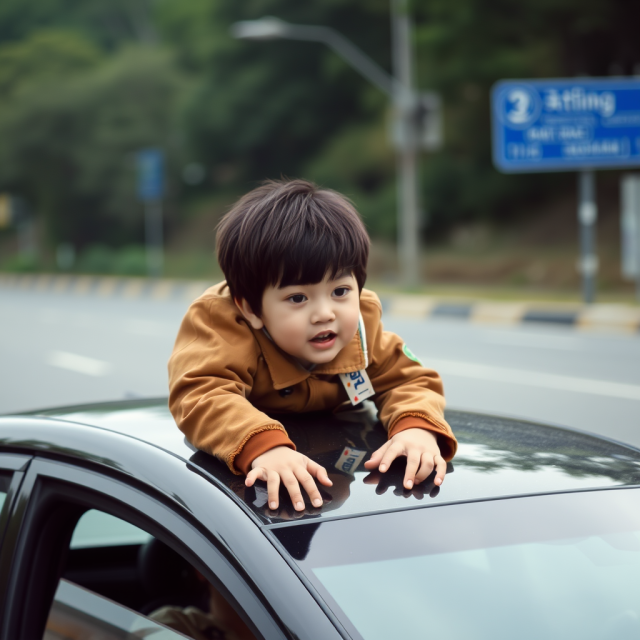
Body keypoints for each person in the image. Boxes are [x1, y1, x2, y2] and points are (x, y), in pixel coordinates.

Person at [168, 179, 457, 511]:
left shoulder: (361, 323)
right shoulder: (222, 322)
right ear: (252, 308)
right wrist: (264, 447)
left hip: (341, 453)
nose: (324, 314)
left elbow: (409, 379)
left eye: (340, 291)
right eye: (297, 298)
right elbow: (202, 394)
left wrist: (415, 428)